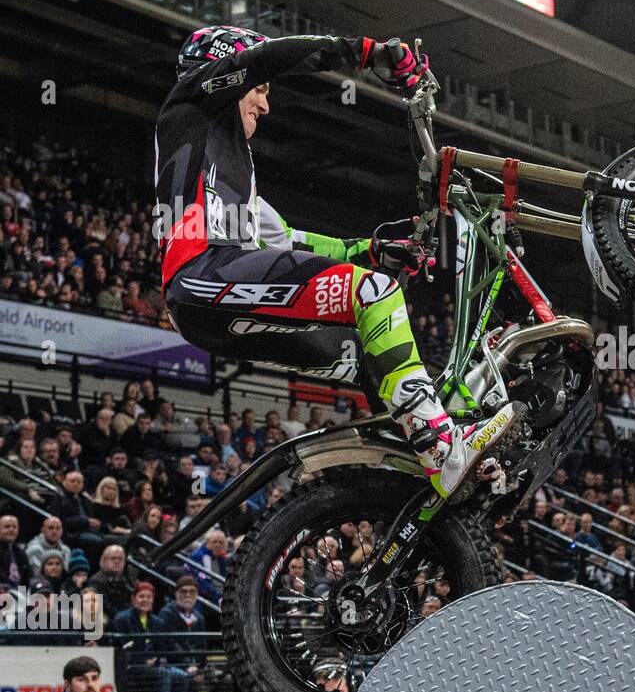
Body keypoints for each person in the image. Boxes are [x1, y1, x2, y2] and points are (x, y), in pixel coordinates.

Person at [154, 26, 520, 502]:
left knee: (368, 348)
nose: (265, 106)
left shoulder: (233, 174)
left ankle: (415, 478)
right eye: (260, 91)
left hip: (217, 305)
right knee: (372, 293)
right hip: (200, 277)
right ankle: (443, 451)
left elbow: (288, 242)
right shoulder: (190, 103)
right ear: (226, 73)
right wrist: (365, 52)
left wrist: (370, 250)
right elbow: (271, 57)